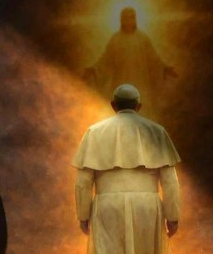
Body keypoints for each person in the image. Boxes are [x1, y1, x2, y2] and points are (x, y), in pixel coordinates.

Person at [71, 84, 180, 252]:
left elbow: (83, 182)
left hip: (108, 207)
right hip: (147, 207)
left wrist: (83, 215)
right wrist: (173, 217)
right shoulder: (157, 132)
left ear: (113, 105)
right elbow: (170, 181)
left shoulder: (94, 132)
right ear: (138, 106)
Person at [83, 7, 176, 111]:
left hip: (140, 83)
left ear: (134, 19)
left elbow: (153, 58)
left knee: (141, 111)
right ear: (121, 20)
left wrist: (165, 68)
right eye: (125, 18)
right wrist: (93, 69)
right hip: (121, 82)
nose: (128, 21)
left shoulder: (142, 38)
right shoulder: (116, 39)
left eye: (131, 18)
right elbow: (105, 59)